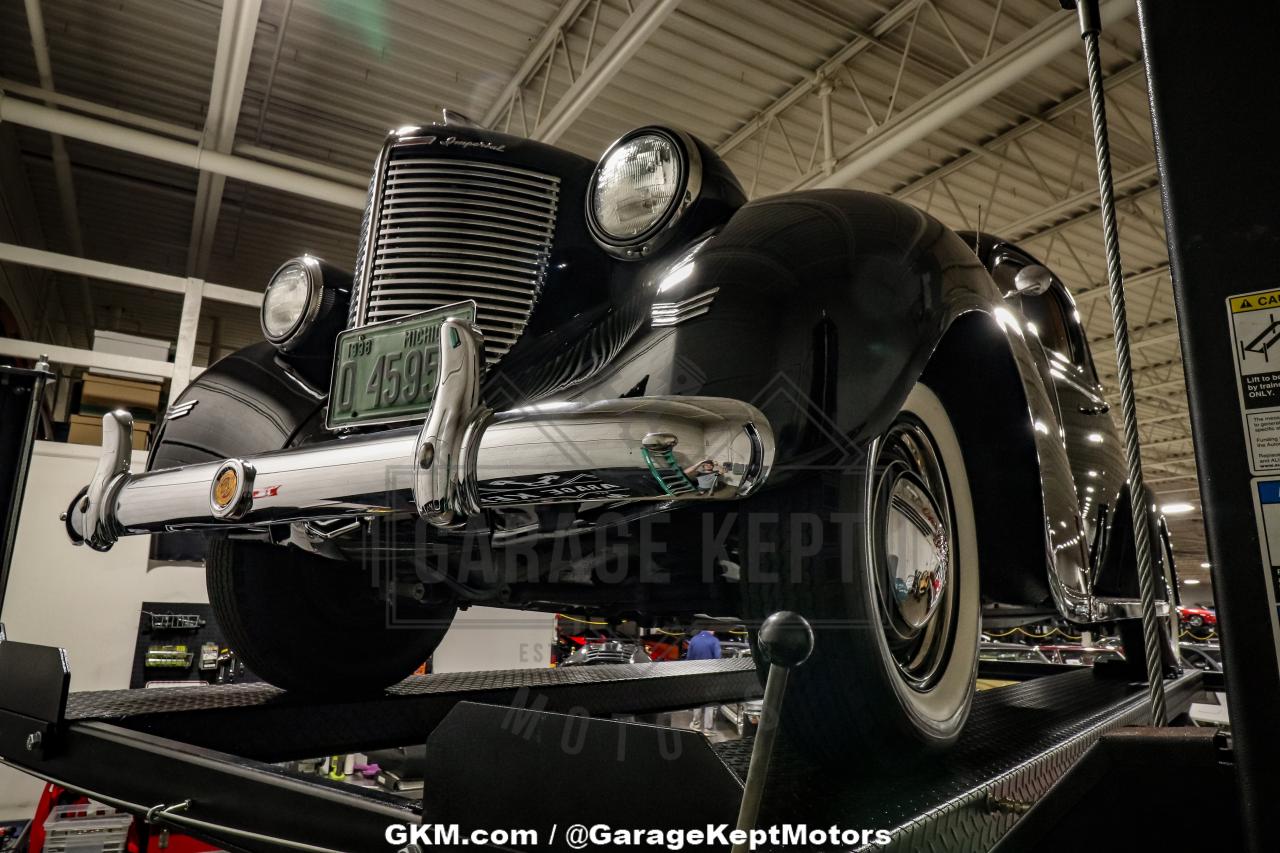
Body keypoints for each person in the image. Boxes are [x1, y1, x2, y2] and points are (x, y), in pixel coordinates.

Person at [686, 627, 722, 732]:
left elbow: (689, 658)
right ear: (711, 629)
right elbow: (718, 658)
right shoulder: (714, 641)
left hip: (697, 675)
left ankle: (696, 724)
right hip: (710, 676)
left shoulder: (694, 640)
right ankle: (708, 728)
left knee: (698, 699)